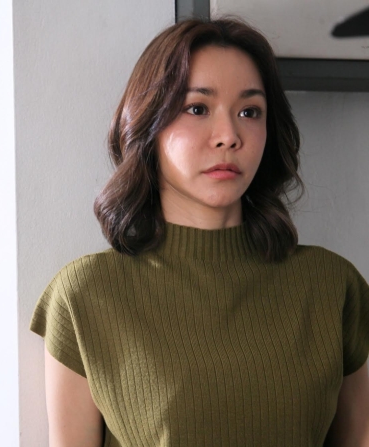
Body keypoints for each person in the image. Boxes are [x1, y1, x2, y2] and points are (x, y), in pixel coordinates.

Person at [30, 18, 369, 447]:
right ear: (150, 124)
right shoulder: (85, 296)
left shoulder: (332, 286)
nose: (229, 136)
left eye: (250, 112)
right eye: (197, 108)